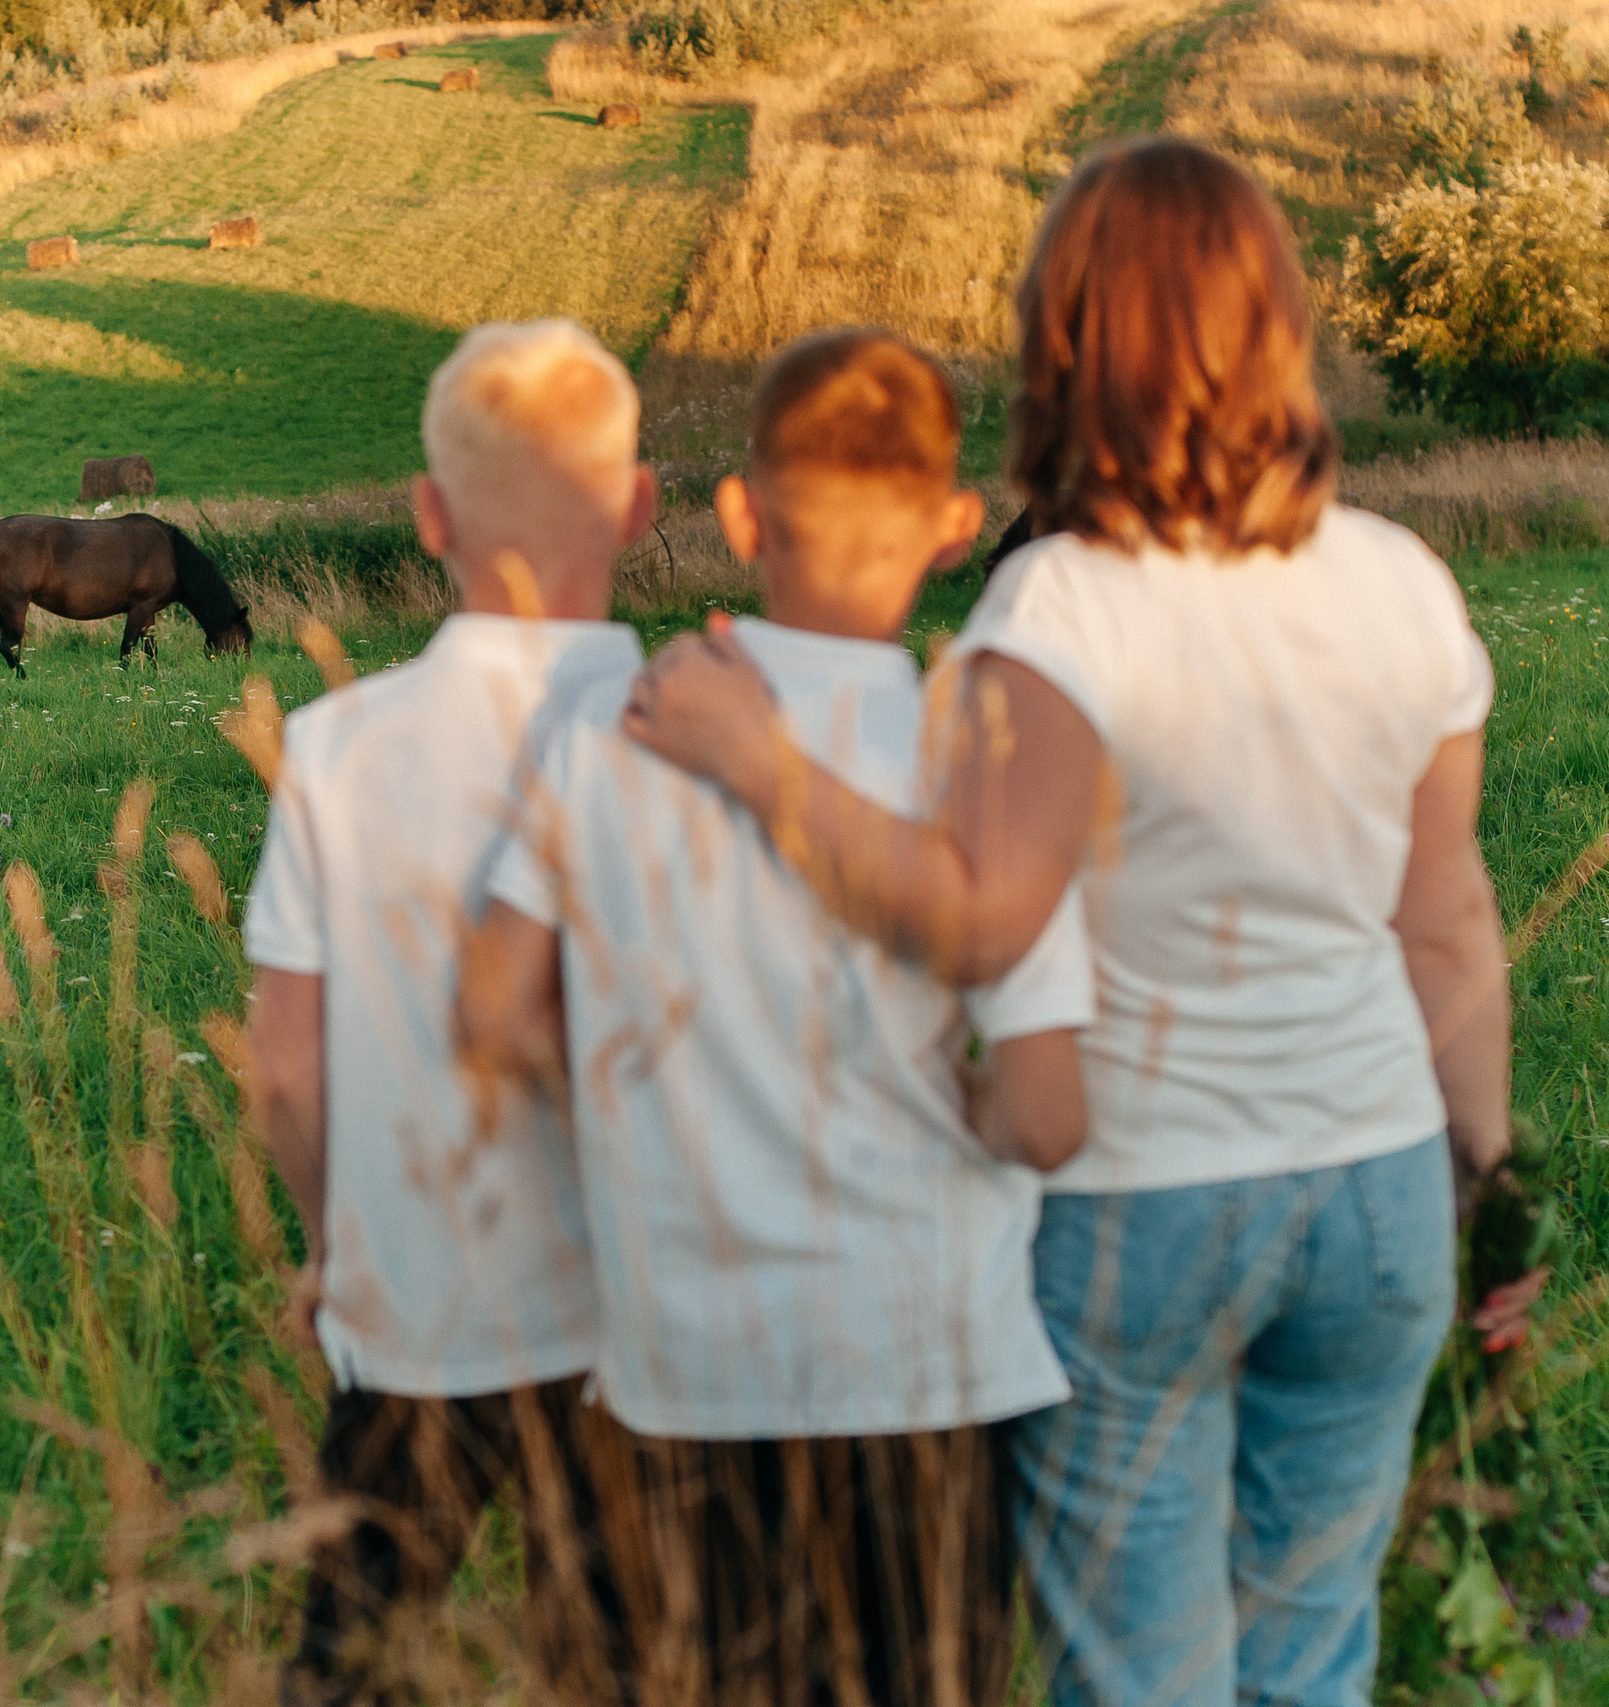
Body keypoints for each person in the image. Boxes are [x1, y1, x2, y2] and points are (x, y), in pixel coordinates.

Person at [622, 137, 1532, 1706]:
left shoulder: (1060, 612)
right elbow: (1446, 918)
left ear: (1066, 344)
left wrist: (762, 762)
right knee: (1314, 1655)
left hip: (1151, 1203)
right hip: (1379, 1178)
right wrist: (1484, 1169)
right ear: (1277, 326)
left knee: (1138, 1677)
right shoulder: (1403, 581)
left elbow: (980, 925)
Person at [459, 327, 1095, 1706]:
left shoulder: (606, 740)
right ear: (953, 525)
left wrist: (646, 1106)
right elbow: (1047, 1114)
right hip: (931, 1368)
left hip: (677, 1366)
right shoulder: (973, 754)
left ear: (740, 514)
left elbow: (497, 1011)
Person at [242, 317, 658, 1705]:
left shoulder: (337, 747)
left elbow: (287, 1073)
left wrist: (328, 1241)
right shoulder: (699, 729)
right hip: (645, 1328)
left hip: (409, 1305)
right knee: (622, 1664)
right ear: (641, 504)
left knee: (349, 1665)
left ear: (428, 515)